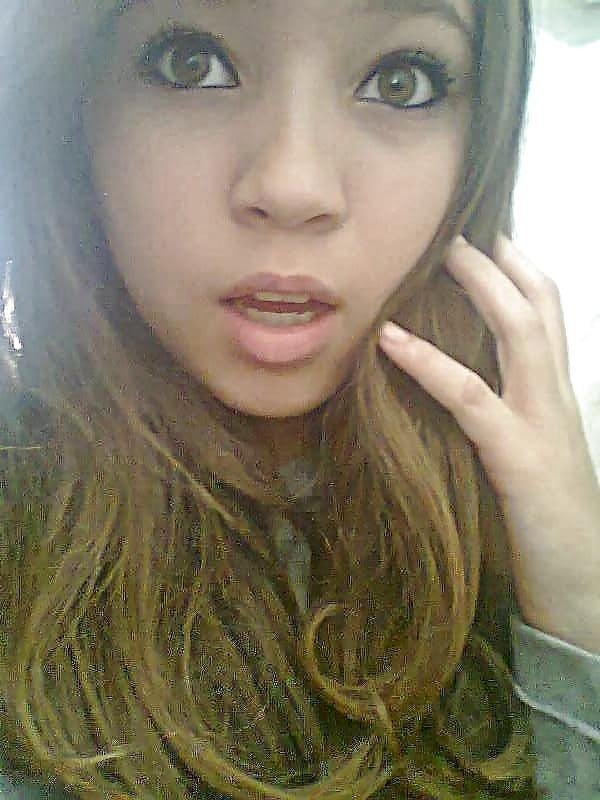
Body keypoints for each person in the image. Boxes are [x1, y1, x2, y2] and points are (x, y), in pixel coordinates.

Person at [0, 0, 598, 798]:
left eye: (401, 81)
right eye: (192, 63)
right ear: (74, 109)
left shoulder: (532, 517)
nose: (292, 186)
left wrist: (580, 619)